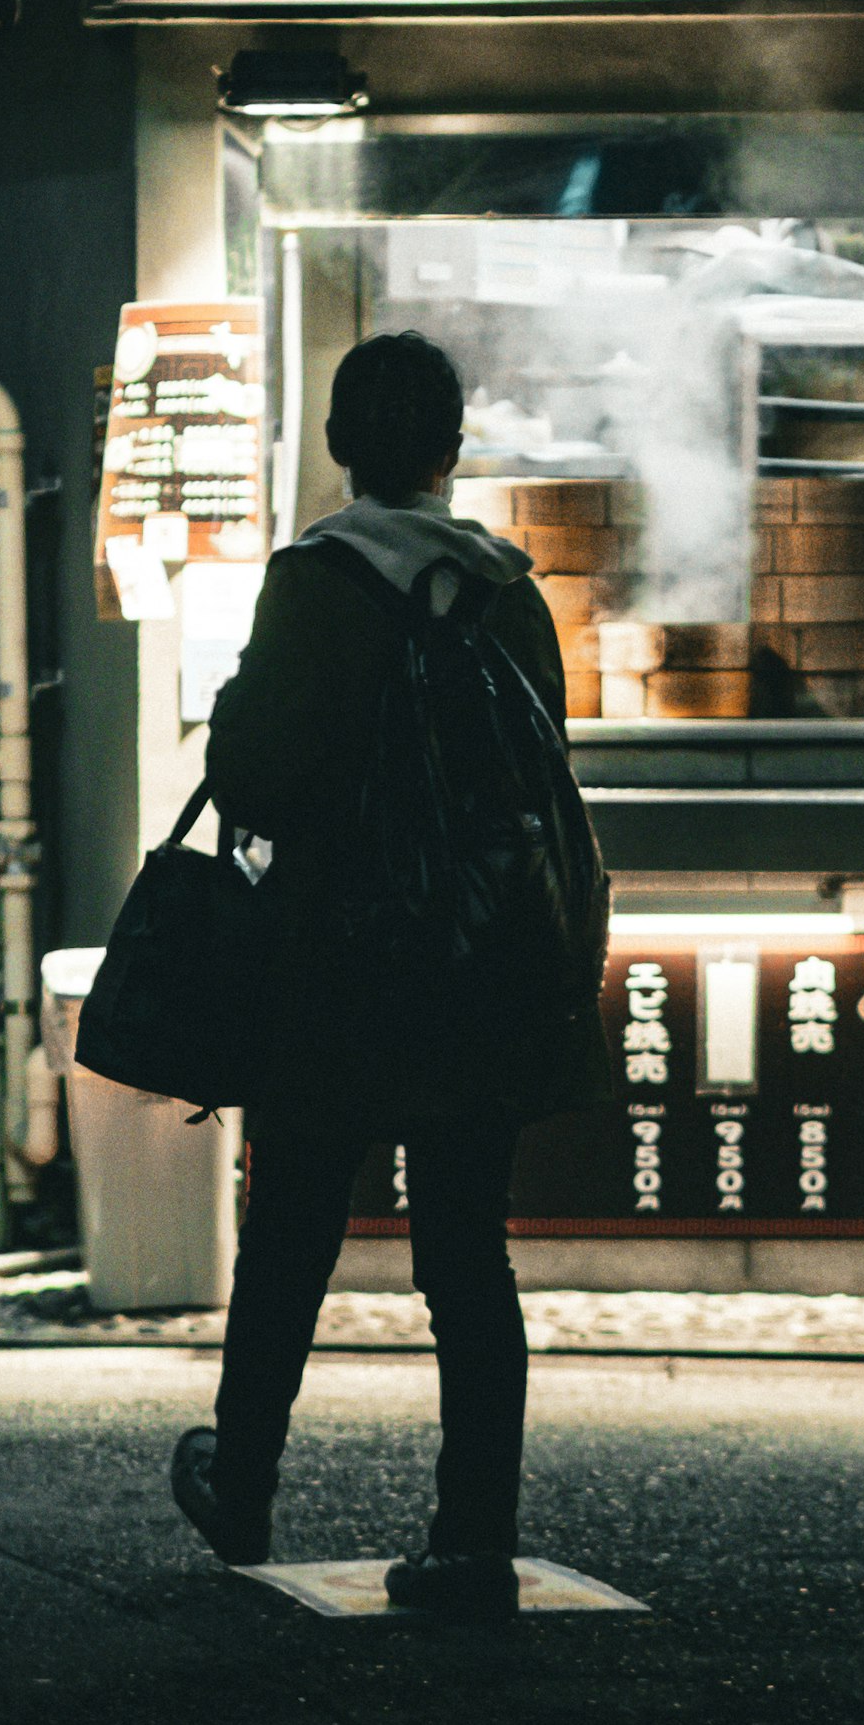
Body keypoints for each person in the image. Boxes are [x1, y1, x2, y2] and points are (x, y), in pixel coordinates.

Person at [166, 329, 612, 1621]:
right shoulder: (507, 587)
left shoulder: (316, 579)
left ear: (340, 445)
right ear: (451, 448)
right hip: (479, 972)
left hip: (336, 967)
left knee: (292, 1234)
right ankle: (474, 1540)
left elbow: (252, 767)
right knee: (467, 1256)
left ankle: (242, 1481)